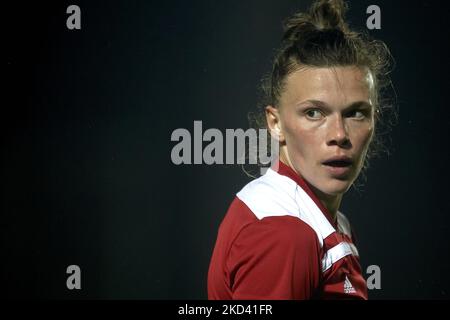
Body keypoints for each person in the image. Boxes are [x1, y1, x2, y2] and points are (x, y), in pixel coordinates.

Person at [208, 0, 392, 299]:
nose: (339, 135)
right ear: (275, 123)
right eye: (314, 113)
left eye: (355, 113)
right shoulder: (285, 234)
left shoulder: (324, 219)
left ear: (374, 119)